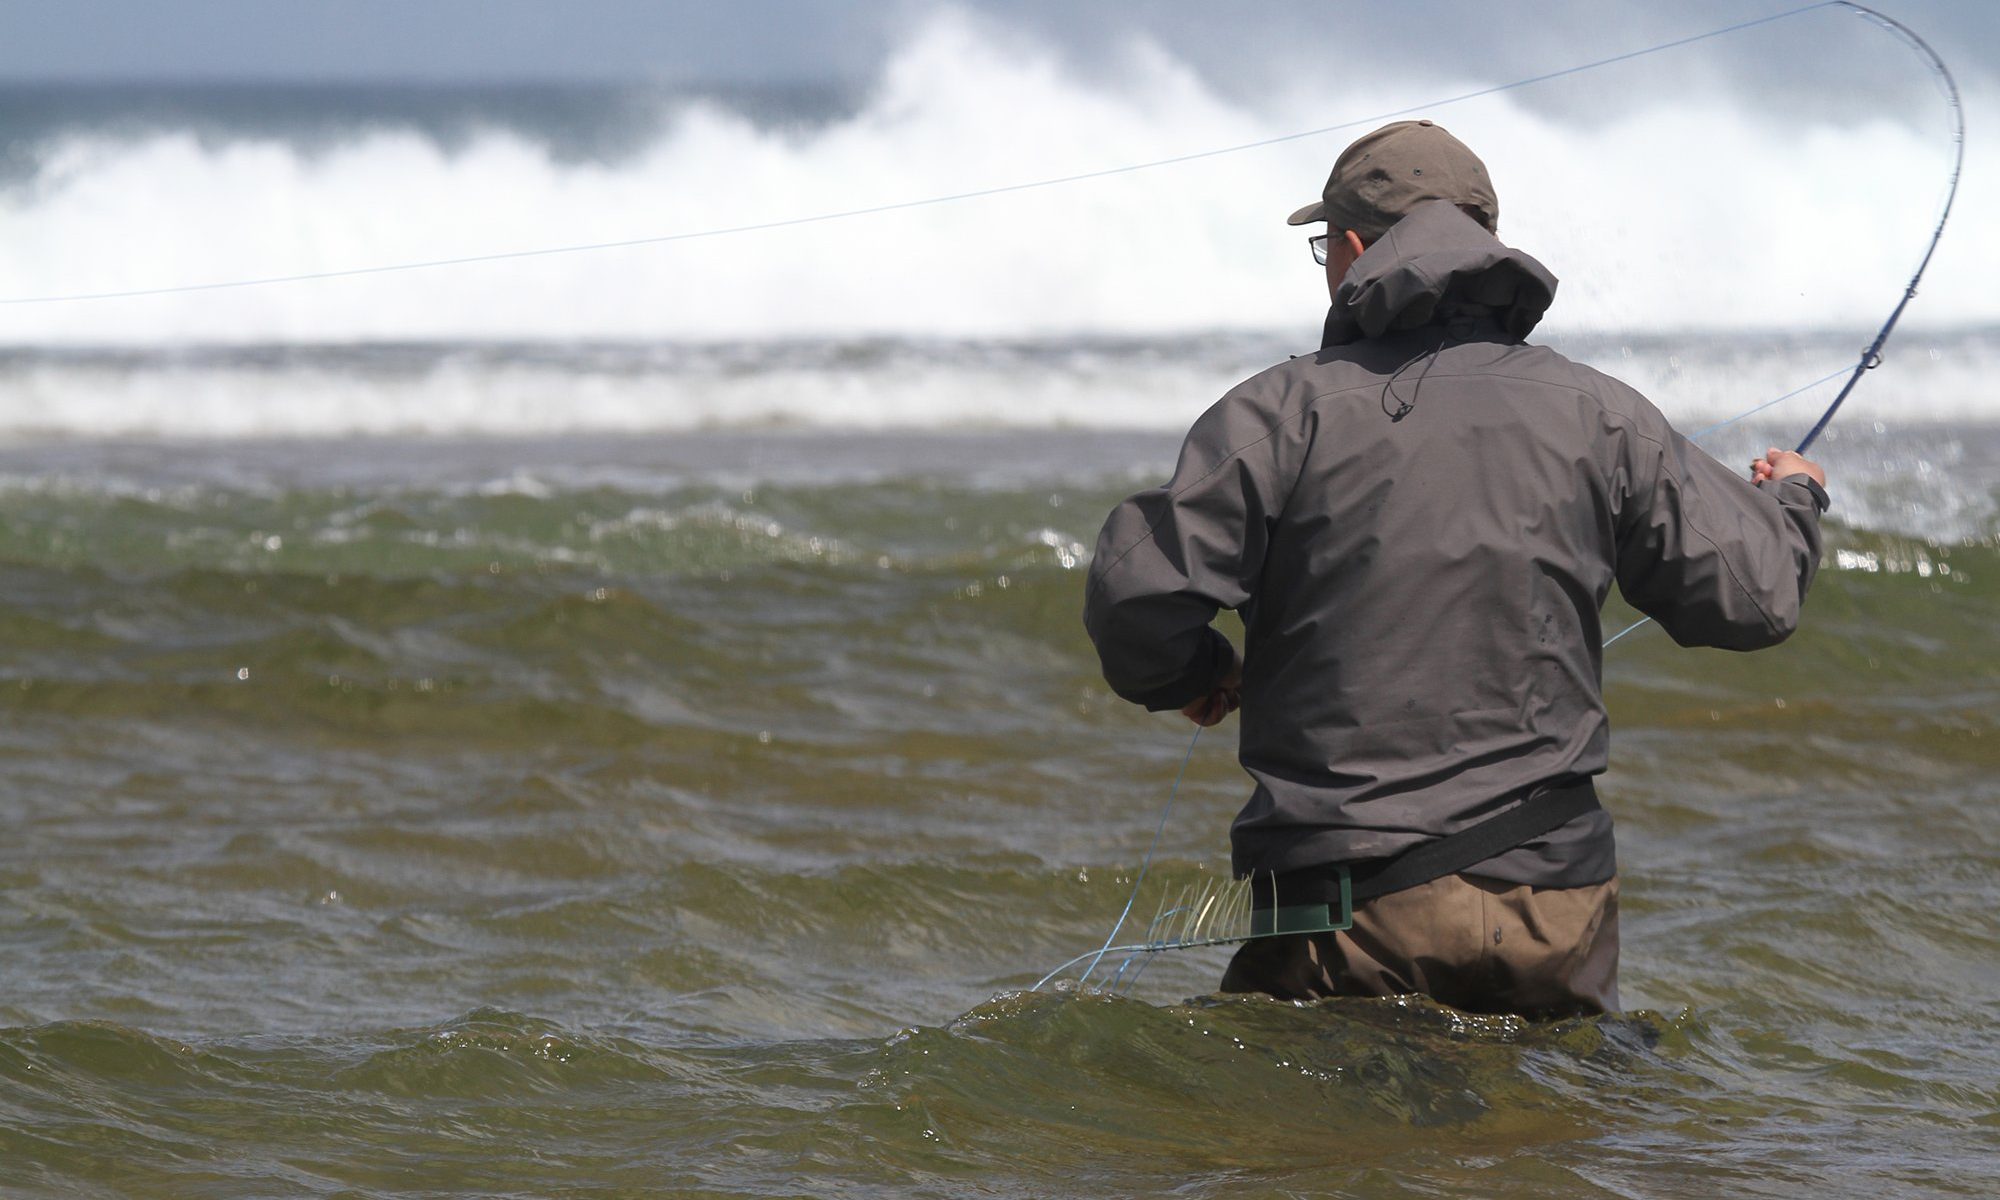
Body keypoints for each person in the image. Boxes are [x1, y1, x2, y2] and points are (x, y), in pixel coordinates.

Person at [1081, 119, 1828, 1019]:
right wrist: (1795, 501)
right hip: (1555, 903)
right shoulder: (1602, 412)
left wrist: (1198, 672)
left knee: (1311, 1152)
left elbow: (1133, 596)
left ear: (1354, 251)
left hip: (1350, 910)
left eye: (1325, 245)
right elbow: (1756, 598)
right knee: (1534, 1148)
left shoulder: (1282, 414)